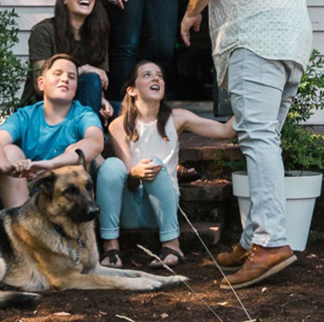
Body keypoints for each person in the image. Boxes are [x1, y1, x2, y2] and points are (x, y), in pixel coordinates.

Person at [180, 0, 312, 289]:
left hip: (255, 38)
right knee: (263, 138)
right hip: (291, 42)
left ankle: (271, 242)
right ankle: (256, 236)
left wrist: (191, 13)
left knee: (257, 138)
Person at [96, 59, 235, 269]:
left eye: (159, 75)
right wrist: (136, 172)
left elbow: (224, 131)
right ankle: (111, 248)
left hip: (162, 209)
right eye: (147, 75)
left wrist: (249, 100)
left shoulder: (177, 118)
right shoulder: (118, 125)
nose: (156, 78)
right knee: (110, 166)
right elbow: (124, 176)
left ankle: (172, 245)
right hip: (130, 208)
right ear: (132, 90)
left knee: (153, 163)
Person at [0, 54, 105, 208]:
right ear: (41, 83)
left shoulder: (84, 115)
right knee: (9, 151)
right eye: (57, 73)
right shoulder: (25, 116)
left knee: (78, 151)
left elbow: (95, 142)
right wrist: (5, 166)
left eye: (72, 76)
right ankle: (24, 227)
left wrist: (51, 164)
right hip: (28, 190)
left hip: (69, 196)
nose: (65, 79)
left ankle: (72, 227)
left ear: (76, 87)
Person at [19, 0, 114, 119]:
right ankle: (88, 138)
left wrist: (100, 100)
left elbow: (99, 81)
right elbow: (40, 85)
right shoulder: (44, 31)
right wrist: (83, 69)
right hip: (41, 111)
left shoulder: (98, 34)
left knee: (126, 112)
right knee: (90, 78)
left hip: (78, 104)